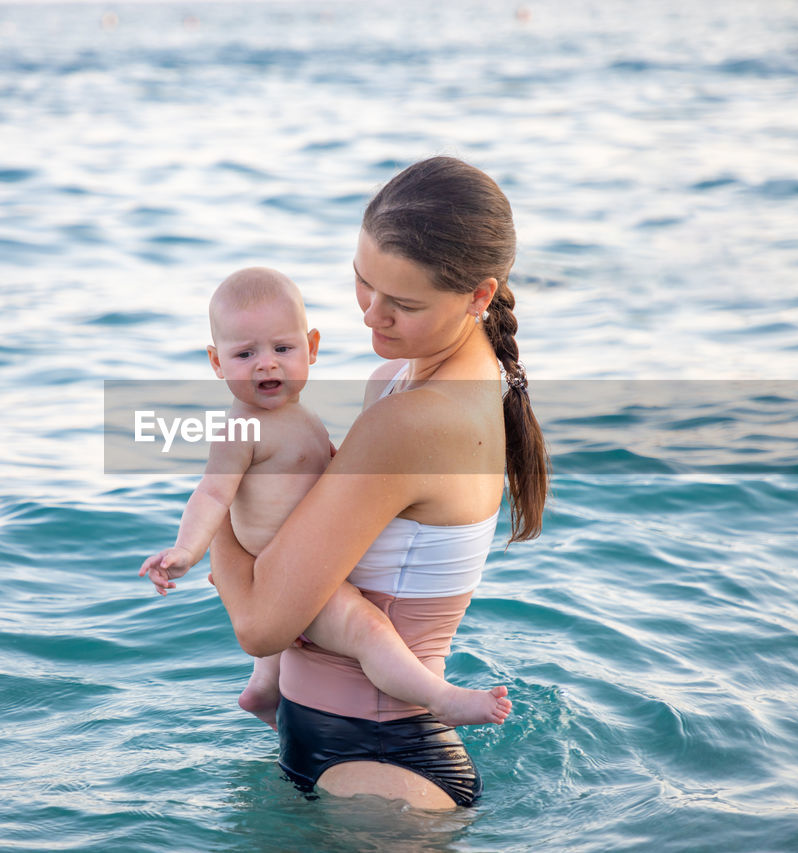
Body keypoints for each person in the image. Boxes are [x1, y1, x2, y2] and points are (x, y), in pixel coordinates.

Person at [208, 157, 549, 809]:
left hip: (387, 764)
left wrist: (221, 495)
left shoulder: (414, 420)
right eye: (364, 283)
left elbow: (260, 625)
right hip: (339, 748)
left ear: (479, 295)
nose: (371, 316)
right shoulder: (401, 379)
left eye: (404, 303)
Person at [139, 267, 513, 731]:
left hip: (290, 567)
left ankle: (262, 690)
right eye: (244, 354)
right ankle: (440, 700)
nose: (266, 364)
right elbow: (212, 493)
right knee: (368, 632)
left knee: (303, 650)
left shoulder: (303, 416)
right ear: (217, 364)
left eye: (282, 349)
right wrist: (186, 551)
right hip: (292, 579)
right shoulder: (238, 428)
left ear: (312, 349)